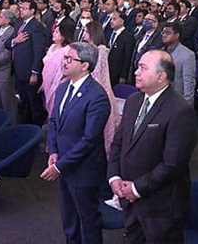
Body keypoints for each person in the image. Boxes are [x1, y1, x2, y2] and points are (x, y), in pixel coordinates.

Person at [108, 50, 198, 243]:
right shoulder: (134, 100)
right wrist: (114, 177)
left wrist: (136, 188)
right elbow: (118, 143)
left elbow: (173, 164)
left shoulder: (179, 111)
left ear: (161, 76)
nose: (136, 72)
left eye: (143, 68)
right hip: (129, 198)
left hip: (161, 207)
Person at [41, 42, 111, 244]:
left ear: (85, 65)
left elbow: (89, 140)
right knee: (69, 217)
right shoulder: (63, 88)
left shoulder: (97, 96)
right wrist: (53, 151)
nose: (64, 62)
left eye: (70, 59)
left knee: (87, 220)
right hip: (63, 163)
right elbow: (54, 121)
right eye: (65, 58)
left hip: (84, 169)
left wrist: (59, 166)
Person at [83, 21, 121, 157]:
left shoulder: (101, 50)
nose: (84, 34)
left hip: (99, 91)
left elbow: (97, 74)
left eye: (86, 31)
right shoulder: (89, 49)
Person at [41, 23, 75, 119]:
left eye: (56, 32)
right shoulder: (52, 47)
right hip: (47, 83)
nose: (53, 33)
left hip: (59, 85)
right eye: (54, 31)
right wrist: (44, 82)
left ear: (63, 36)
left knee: (55, 109)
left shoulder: (67, 50)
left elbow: (67, 68)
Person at [161, 22, 196, 106]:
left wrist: (186, 106)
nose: (164, 35)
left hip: (176, 100)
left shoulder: (187, 55)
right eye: (163, 32)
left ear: (177, 35)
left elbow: (189, 82)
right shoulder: (160, 52)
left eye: (168, 33)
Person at [107, 9, 135, 85]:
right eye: (111, 19)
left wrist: (123, 76)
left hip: (117, 73)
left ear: (122, 21)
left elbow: (128, 58)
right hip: (107, 71)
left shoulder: (128, 37)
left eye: (114, 19)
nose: (111, 21)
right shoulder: (110, 33)